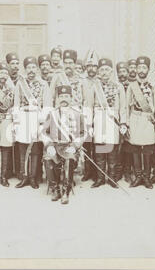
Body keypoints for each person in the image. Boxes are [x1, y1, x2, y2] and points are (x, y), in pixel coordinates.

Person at [41, 84, 87, 204]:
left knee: (69, 158)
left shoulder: (78, 114)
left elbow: (83, 133)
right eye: (61, 96)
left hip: (69, 146)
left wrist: (75, 146)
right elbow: (44, 132)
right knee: (48, 157)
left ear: (71, 98)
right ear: (57, 99)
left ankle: (66, 190)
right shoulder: (52, 114)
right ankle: (55, 189)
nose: (64, 99)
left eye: (66, 96)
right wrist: (49, 145)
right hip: (54, 145)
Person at [90, 58, 127, 188]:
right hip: (99, 119)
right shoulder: (95, 86)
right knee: (100, 150)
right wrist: (89, 124)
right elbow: (89, 106)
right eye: (102, 70)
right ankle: (100, 178)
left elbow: (123, 107)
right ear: (99, 72)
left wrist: (123, 123)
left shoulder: (118, 86)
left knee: (111, 150)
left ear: (111, 72)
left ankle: (111, 177)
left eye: (107, 70)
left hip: (113, 120)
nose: (104, 72)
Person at [13, 56, 48, 189]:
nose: (31, 70)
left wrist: (42, 121)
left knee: (34, 151)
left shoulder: (44, 84)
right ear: (25, 69)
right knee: (23, 150)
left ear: (37, 69)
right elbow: (16, 103)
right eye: (28, 67)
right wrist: (16, 122)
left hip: (36, 119)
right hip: (23, 118)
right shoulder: (20, 84)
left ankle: (33, 178)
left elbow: (47, 104)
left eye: (33, 67)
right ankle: (24, 177)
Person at [125, 56, 155, 189]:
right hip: (135, 118)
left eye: (144, 67)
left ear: (148, 70)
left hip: (148, 119)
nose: (141, 70)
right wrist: (127, 122)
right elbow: (127, 106)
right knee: (135, 147)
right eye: (139, 67)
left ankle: (146, 176)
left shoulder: (153, 86)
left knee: (147, 148)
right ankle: (138, 175)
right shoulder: (131, 86)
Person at [81, 49, 99, 183]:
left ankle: (97, 172)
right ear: (86, 67)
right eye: (89, 66)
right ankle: (87, 171)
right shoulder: (82, 81)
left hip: (99, 117)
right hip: (86, 116)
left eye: (94, 66)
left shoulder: (100, 81)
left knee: (98, 145)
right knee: (87, 145)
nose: (91, 69)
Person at [115, 60, 133, 183]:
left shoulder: (134, 85)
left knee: (129, 147)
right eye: (119, 71)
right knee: (117, 147)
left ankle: (127, 172)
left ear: (128, 72)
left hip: (131, 119)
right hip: (118, 120)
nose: (122, 74)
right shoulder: (115, 86)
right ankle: (118, 171)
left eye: (124, 71)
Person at [6, 52, 21, 180]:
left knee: (19, 143)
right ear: (7, 65)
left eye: (17, 63)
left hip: (19, 115)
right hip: (6, 115)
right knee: (7, 142)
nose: (15, 66)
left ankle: (19, 170)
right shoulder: (4, 79)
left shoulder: (23, 80)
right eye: (12, 64)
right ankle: (8, 170)